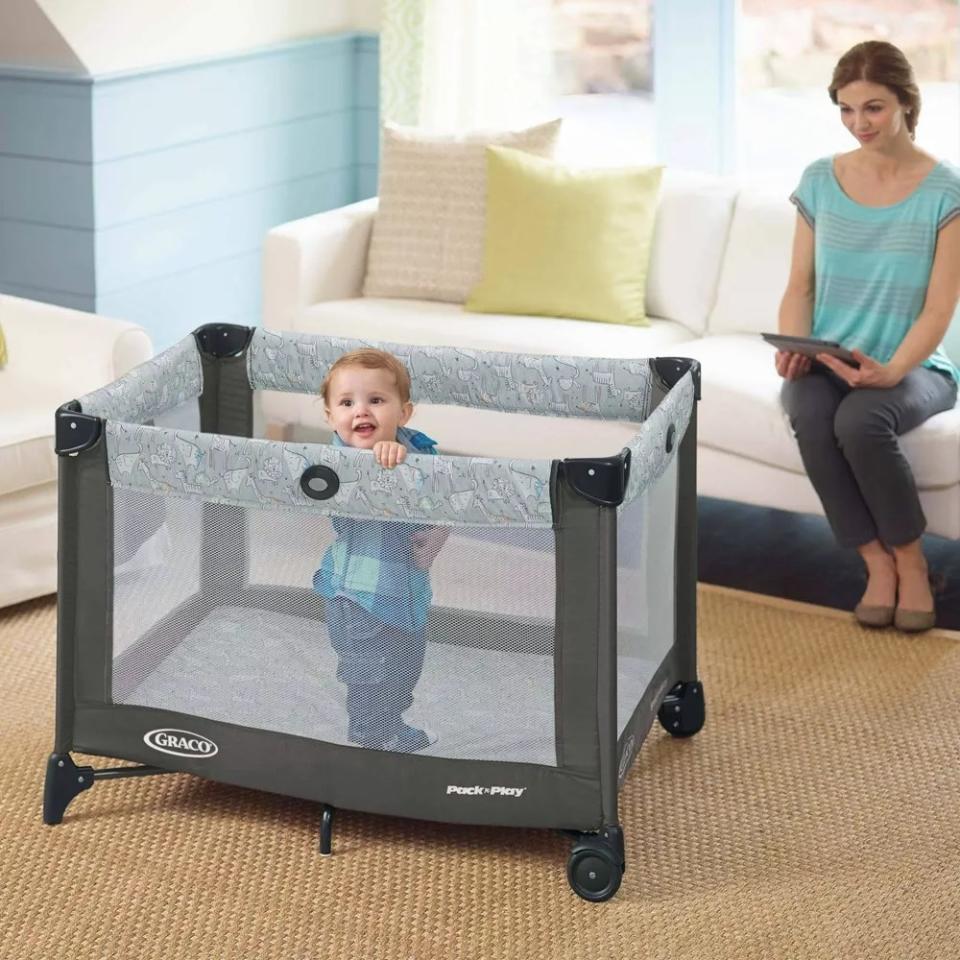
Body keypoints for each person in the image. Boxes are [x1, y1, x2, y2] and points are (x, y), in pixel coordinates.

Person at [776, 40, 960, 632]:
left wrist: (893, 370)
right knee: (805, 407)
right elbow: (798, 286)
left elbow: (938, 310)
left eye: (874, 108)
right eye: (848, 110)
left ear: (906, 102)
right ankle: (874, 562)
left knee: (861, 420)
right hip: (829, 359)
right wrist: (793, 344)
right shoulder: (820, 180)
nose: (860, 124)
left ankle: (911, 562)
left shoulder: (945, 191)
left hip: (917, 366)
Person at [314, 348, 448, 752]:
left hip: (408, 593)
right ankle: (369, 740)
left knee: (405, 671)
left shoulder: (418, 449)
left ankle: (392, 723)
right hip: (356, 598)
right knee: (368, 675)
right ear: (330, 417)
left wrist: (439, 533)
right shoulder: (338, 459)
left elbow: (444, 496)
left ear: (403, 413)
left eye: (376, 400)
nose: (361, 412)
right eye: (346, 403)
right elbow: (345, 476)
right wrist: (376, 458)